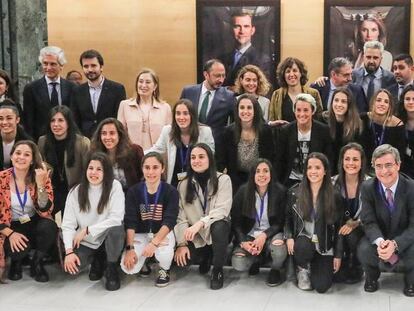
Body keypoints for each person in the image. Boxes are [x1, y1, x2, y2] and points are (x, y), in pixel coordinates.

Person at [62, 151, 125, 291]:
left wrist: (87, 229)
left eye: (99, 169)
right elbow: (67, 225)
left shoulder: (114, 186)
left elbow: (116, 218)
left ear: (106, 171)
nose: (93, 173)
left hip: (107, 236)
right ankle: (97, 257)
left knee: (117, 228)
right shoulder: (75, 192)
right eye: (91, 168)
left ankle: (111, 266)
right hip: (88, 240)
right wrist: (69, 252)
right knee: (72, 268)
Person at [357, 144, 414, 297]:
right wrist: (381, 242)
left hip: (405, 238)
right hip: (381, 236)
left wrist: (395, 244)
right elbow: (368, 221)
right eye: (379, 166)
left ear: (398, 165)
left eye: (388, 165)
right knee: (363, 249)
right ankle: (372, 277)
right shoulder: (367, 187)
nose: (384, 171)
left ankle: (411, 279)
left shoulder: (411, 188)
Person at [174, 143, 232, 290]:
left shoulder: (223, 179)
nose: (196, 160)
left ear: (210, 159)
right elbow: (180, 217)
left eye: (201, 157)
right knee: (184, 261)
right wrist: (181, 244)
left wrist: (200, 223)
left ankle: (217, 270)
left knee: (219, 226)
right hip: (197, 235)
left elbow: (222, 210)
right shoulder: (183, 185)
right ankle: (205, 254)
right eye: (193, 157)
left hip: (217, 230)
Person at [285, 152, 343, 293]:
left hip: (324, 245)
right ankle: (303, 268)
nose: (313, 171)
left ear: (325, 171)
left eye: (317, 168)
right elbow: (287, 218)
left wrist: (338, 254)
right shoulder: (294, 193)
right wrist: (289, 237)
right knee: (303, 245)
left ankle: (316, 266)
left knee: (322, 287)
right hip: (304, 242)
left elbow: (340, 227)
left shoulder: (335, 195)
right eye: (309, 168)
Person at [0, 140, 57, 282]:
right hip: (10, 225)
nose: (21, 157)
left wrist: (40, 184)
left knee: (49, 226)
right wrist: (10, 233)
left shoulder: (40, 177)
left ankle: (36, 262)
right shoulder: (1, 179)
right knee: (16, 248)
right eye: (18, 153)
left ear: (32, 160)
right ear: (11, 156)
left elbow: (45, 208)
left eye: (27, 154)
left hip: (33, 220)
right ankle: (16, 262)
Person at [121, 152, 179, 287]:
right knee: (129, 268)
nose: (151, 172)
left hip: (162, 232)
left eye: (155, 167)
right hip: (141, 233)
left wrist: (154, 243)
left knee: (164, 255)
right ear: (142, 169)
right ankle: (145, 262)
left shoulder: (171, 191)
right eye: (147, 167)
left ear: (162, 168)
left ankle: (164, 269)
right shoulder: (133, 191)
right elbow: (130, 221)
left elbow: (169, 220)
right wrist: (130, 249)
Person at [231, 159, 287, 286]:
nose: (262, 175)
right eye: (258, 171)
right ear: (253, 175)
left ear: (271, 174)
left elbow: (280, 222)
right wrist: (243, 241)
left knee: (279, 250)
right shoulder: (242, 192)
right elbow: (236, 222)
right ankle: (256, 258)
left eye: (265, 171)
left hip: (271, 233)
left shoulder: (280, 191)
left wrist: (264, 235)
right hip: (249, 235)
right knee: (238, 263)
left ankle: (275, 270)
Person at [146, 99, 214, 187]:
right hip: (174, 183)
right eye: (178, 113)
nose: (181, 117)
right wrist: (137, 154)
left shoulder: (205, 132)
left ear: (192, 115)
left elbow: (210, 158)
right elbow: (155, 150)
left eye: (185, 113)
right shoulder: (167, 131)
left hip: (198, 183)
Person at [216, 94, 274, 194]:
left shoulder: (266, 132)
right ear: (237, 110)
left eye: (249, 108)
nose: (245, 111)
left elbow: (272, 159)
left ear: (255, 110)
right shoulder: (228, 132)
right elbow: (220, 162)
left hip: (261, 179)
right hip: (235, 181)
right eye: (242, 108)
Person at [38, 105, 90, 215]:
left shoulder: (82, 143)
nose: (56, 124)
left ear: (69, 123)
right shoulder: (43, 141)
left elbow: (88, 174)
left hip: (75, 192)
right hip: (51, 192)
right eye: (53, 120)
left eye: (61, 120)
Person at [276, 93, 333, 187]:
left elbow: (328, 160)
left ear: (313, 111)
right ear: (294, 111)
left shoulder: (324, 131)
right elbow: (279, 161)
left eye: (306, 110)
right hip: (290, 181)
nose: (302, 114)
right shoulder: (285, 131)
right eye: (298, 110)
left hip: (315, 180)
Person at [332, 143, 368, 283]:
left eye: (355, 159)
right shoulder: (331, 182)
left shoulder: (370, 184)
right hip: (337, 232)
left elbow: (373, 216)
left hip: (361, 231)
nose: (351, 163)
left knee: (351, 234)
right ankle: (341, 258)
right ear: (341, 161)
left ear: (362, 162)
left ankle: (357, 264)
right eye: (347, 159)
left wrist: (356, 223)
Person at [23, 46, 76, 140]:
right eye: (45, 63)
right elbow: (28, 122)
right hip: (41, 141)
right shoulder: (31, 89)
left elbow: (74, 117)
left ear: (61, 66)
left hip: (67, 139)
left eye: (53, 64)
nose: (48, 67)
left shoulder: (72, 88)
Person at [71, 49, 126, 138]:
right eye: (86, 66)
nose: (90, 70)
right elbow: (75, 120)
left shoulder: (117, 89)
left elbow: (119, 119)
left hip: (109, 140)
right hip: (86, 141)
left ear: (101, 67)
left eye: (93, 65)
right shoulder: (77, 91)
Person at [180, 59, 235, 148]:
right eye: (217, 76)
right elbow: (179, 116)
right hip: (190, 145)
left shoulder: (229, 97)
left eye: (223, 76)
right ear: (206, 74)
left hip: (216, 147)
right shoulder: (188, 92)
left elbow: (234, 125)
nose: (221, 80)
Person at [117, 68, 172, 151]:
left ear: (155, 86)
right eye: (140, 81)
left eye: (148, 82)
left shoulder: (165, 108)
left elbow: (169, 138)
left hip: (157, 157)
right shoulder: (124, 105)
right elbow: (120, 135)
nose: (143, 85)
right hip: (131, 156)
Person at [219, 12, 272, 87]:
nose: (241, 31)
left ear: (252, 30)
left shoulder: (263, 60)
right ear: (231, 29)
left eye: (246, 26)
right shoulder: (221, 59)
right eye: (237, 26)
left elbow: (263, 90)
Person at [90, 118, 143, 192]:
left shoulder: (134, 151)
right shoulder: (94, 154)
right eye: (104, 133)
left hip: (131, 196)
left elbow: (143, 177)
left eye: (112, 133)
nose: (107, 137)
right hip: (107, 196)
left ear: (120, 135)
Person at [269, 57, 322, 125]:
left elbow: (319, 120)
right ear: (283, 75)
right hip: (283, 134)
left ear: (301, 73)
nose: (291, 74)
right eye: (288, 71)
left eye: (295, 70)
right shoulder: (276, 95)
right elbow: (271, 120)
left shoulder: (314, 93)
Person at [359, 89, 406, 166]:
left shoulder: (397, 125)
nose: (382, 104)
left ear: (389, 106)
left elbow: (399, 156)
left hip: (387, 167)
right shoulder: (362, 119)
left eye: (386, 102)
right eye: (378, 100)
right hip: (364, 167)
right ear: (373, 103)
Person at [324, 88, 363, 174]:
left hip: (349, 170)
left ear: (349, 105)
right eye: (336, 100)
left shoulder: (357, 125)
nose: (339, 104)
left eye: (343, 101)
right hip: (328, 172)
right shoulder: (323, 121)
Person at [0, 103, 32, 170]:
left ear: (17, 120)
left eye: (9, 118)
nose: (4, 122)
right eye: (1, 118)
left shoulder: (28, 142)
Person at [397, 85, 414, 178]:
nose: (411, 102)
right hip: (402, 168)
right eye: (407, 99)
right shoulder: (397, 120)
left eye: (413, 99)